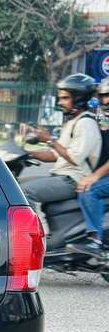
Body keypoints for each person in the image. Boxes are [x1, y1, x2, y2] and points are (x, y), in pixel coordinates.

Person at [21, 74, 102, 230]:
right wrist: (26, 153)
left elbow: (74, 157)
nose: (60, 102)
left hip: (74, 180)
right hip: (62, 176)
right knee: (17, 185)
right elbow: (56, 155)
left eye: (65, 98)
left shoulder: (86, 124)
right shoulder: (73, 122)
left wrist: (50, 140)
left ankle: (41, 235)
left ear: (78, 98)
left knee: (24, 192)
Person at [66, 77, 109, 259]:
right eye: (103, 96)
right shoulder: (101, 118)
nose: (106, 100)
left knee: (89, 191)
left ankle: (95, 242)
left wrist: (93, 177)